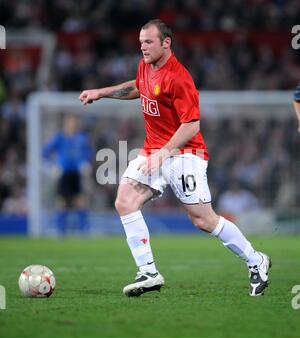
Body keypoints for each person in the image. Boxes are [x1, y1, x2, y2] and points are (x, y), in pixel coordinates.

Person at [79, 19, 271, 297]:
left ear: (166, 43)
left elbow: (192, 124)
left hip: (185, 154)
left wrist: (164, 153)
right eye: (141, 41)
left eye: (148, 42)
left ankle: (256, 260)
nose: (142, 47)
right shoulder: (146, 65)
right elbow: (138, 88)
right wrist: (102, 92)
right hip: (154, 150)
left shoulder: (179, 78)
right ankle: (148, 272)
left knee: (203, 220)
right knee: (125, 200)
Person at [43, 114, 93, 234]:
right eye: (70, 122)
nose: (72, 125)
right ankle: (61, 232)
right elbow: (45, 152)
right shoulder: (59, 138)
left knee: (80, 200)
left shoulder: (81, 137)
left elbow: (89, 152)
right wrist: (53, 165)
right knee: (62, 202)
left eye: (74, 122)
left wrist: (85, 163)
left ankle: (83, 231)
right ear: (65, 124)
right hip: (63, 174)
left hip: (77, 173)